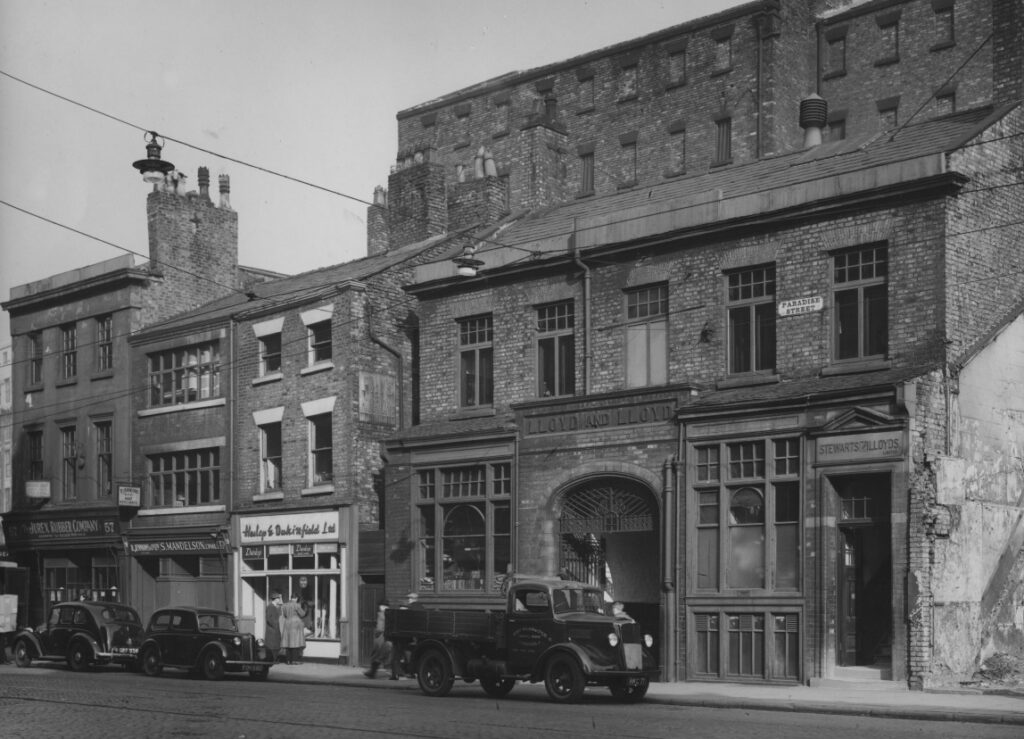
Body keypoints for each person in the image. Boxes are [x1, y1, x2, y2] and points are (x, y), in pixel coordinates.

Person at [363, 601, 392, 679]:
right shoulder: (390, 614)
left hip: (381, 637)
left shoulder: (381, 614)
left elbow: (379, 628)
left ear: (383, 606)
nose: (379, 607)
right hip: (387, 638)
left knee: (377, 654)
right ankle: (376, 672)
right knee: (384, 655)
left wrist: (376, 632)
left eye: (380, 606)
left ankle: (372, 672)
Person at [279, 593, 307, 665]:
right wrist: (305, 608)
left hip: (287, 623)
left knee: (288, 643)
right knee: (295, 643)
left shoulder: (285, 605)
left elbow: (284, 615)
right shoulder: (297, 605)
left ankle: (288, 660)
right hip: (295, 624)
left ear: (291, 598)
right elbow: (302, 614)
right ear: (296, 598)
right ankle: (294, 660)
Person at [265, 593, 284, 663]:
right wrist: (275, 624)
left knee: (276, 645)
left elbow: (280, 611)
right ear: (275, 599)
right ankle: (272, 659)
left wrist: (281, 598)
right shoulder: (270, 607)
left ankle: (274, 659)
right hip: (272, 630)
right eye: (278, 598)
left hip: (275, 629)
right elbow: (268, 618)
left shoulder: (275, 606)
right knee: (272, 646)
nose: (279, 600)